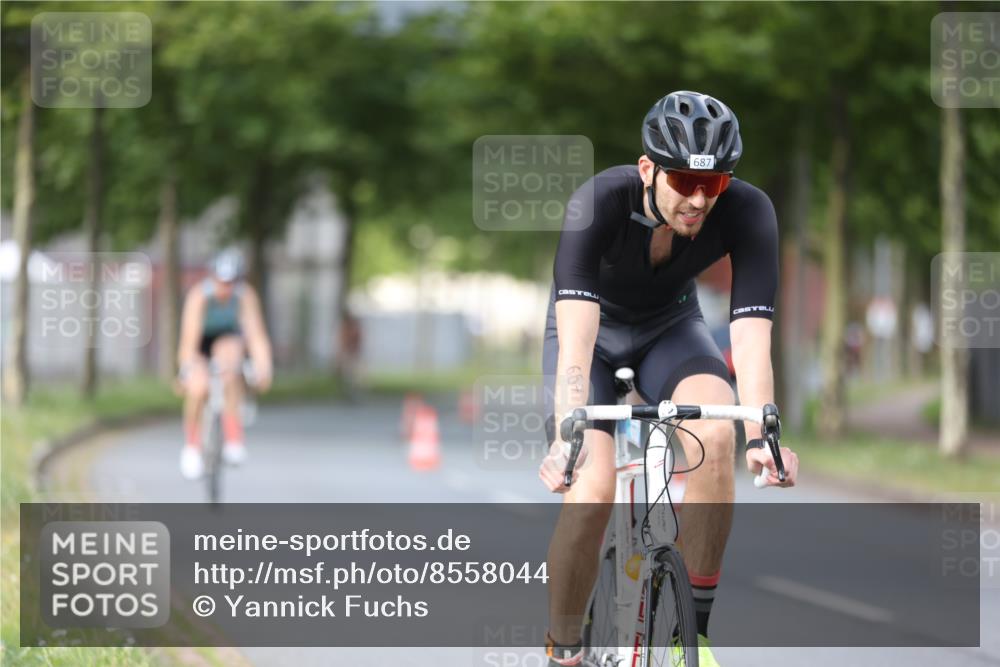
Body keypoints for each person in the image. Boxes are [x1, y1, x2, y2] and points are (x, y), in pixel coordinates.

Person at [537, 91, 800, 667]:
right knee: (592, 490)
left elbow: (752, 333)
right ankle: (562, 648)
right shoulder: (598, 202)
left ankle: (692, 634)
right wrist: (566, 433)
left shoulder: (750, 211)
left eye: (716, 184)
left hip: (670, 330)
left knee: (718, 436)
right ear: (648, 169)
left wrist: (763, 434)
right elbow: (576, 341)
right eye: (683, 180)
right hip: (592, 335)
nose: (699, 199)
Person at [175, 249, 273, 480]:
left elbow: (256, 336)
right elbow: (189, 340)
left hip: (227, 342)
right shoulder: (200, 296)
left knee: (231, 365)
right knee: (198, 388)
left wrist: (264, 367)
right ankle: (191, 447)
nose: (225, 288)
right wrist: (187, 369)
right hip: (201, 342)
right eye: (221, 282)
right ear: (212, 278)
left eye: (231, 283)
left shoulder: (245, 296)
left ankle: (233, 438)